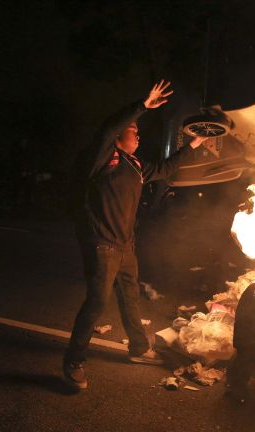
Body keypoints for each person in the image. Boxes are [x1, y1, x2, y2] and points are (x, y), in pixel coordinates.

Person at [63, 81, 206, 390]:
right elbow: (105, 129)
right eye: (132, 130)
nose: (138, 133)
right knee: (96, 303)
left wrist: (191, 146)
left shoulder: (136, 164)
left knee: (130, 298)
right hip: (102, 245)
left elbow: (165, 169)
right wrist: (142, 106)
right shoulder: (104, 158)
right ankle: (73, 361)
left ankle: (139, 349)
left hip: (126, 246)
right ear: (118, 137)